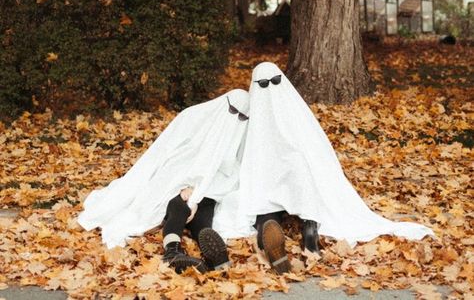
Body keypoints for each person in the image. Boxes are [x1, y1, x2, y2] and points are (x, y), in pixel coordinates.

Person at [224, 61, 434, 274]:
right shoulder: (295, 112)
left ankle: (271, 233)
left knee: (267, 200)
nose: (268, 88)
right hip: (291, 177)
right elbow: (316, 153)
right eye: (264, 84)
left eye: (272, 82)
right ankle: (307, 231)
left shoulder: (258, 118)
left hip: (272, 179)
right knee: (298, 181)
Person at [78, 88, 250, 272]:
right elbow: (171, 153)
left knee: (203, 213)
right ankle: (172, 251)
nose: (235, 120)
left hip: (210, 188)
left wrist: (200, 193)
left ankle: (214, 256)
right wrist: (188, 187)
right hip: (179, 178)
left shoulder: (237, 138)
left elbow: (231, 170)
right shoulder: (196, 118)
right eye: (233, 111)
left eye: (241, 117)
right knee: (178, 204)